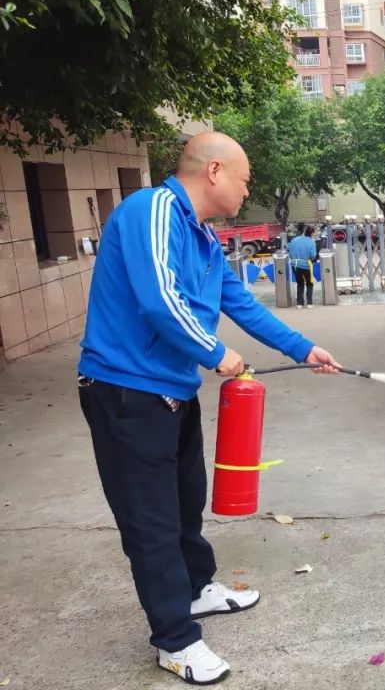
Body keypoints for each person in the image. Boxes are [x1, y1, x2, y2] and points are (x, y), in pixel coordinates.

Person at [76, 131, 341, 685]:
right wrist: (215, 352)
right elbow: (160, 299)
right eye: (244, 180)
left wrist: (302, 348)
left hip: (173, 392)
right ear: (214, 171)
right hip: (127, 393)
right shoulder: (153, 210)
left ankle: (196, 590)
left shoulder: (201, 238)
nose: (247, 191)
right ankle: (175, 640)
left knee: (185, 505)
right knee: (150, 523)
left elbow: (240, 302)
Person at [287, 225, 318, 309]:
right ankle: (309, 303)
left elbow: (288, 249)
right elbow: (313, 255)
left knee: (300, 283)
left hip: (295, 265)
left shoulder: (295, 239)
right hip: (306, 265)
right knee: (309, 283)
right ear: (311, 233)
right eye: (315, 232)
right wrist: (311, 258)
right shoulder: (311, 241)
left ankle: (299, 303)